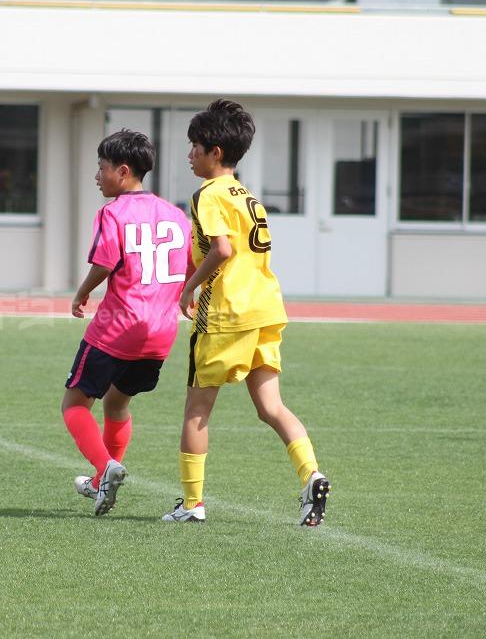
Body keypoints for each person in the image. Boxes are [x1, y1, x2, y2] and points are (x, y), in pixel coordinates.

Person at [163, 99, 331, 526]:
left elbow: (222, 249)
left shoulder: (208, 194)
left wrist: (190, 284)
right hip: (265, 308)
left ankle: (191, 505)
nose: (189, 154)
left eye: (195, 147)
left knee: (197, 410)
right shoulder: (247, 194)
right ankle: (311, 474)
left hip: (226, 312)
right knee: (271, 406)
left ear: (215, 151)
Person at [64, 130, 190, 516]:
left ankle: (105, 468)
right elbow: (190, 267)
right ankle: (102, 481)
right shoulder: (176, 215)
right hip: (161, 332)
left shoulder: (113, 213)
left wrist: (82, 292)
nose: (96, 176)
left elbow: (104, 263)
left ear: (122, 171)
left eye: (101, 168)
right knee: (117, 401)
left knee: (74, 404)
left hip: (118, 327)